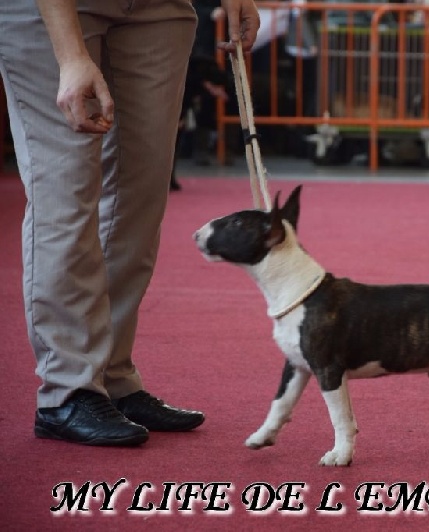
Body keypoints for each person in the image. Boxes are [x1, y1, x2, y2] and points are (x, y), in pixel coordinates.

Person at [0, 0, 259, 446]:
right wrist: (71, 55)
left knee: (139, 196)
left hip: (160, 9)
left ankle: (110, 377)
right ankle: (68, 388)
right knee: (65, 192)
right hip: (54, 12)